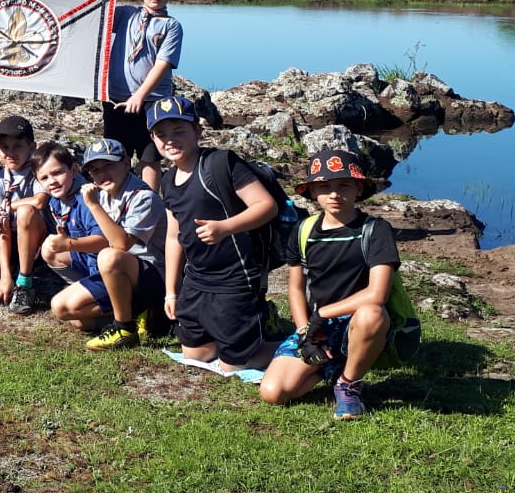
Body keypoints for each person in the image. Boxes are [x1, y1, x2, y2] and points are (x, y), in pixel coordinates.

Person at [259, 149, 399, 420]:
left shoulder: (375, 230)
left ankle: (349, 383)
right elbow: (296, 288)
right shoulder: (303, 230)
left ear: (359, 189)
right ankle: (330, 367)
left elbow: (376, 294)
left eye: (344, 185)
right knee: (274, 393)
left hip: (355, 321)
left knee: (372, 314)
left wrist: (321, 315)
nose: (334, 194)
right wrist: (304, 332)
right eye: (324, 186)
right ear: (312, 192)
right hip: (315, 327)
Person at [149, 94, 278, 373]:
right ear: (153, 139)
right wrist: (171, 292)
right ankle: (244, 331)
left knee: (233, 367)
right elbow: (174, 237)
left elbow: (266, 206)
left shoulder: (221, 163)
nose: (170, 140)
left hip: (236, 277)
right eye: (161, 134)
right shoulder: (168, 180)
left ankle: (290, 346)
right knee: (196, 355)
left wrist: (225, 227)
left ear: (197, 130)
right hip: (197, 279)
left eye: (179, 130)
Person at [77, 138, 170, 351]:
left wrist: (92, 205)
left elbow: (120, 244)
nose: (102, 174)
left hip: (154, 273)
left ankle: (124, 328)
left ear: (126, 163)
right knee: (66, 311)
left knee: (108, 256)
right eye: (95, 170)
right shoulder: (103, 195)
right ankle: (141, 314)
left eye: (109, 165)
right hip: (121, 271)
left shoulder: (143, 197)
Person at [104, 0, 183, 190]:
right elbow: (99, 14)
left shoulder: (171, 26)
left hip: (152, 102)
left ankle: (149, 204)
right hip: (116, 99)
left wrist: (140, 96)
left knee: (150, 156)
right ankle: (116, 202)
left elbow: (163, 63)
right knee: (117, 155)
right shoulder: (127, 14)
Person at [35, 142, 113, 331]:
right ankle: (113, 312)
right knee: (79, 321)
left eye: (57, 173)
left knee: (61, 308)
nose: (52, 181)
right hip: (89, 262)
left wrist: (69, 244)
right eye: (44, 178)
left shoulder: (87, 198)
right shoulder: (55, 200)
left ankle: (129, 307)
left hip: (108, 268)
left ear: (74, 170)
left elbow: (104, 242)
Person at [0, 115, 47, 315]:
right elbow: (1, 228)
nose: (10, 153)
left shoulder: (39, 171)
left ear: (32, 147)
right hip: (13, 241)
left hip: (42, 240)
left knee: (25, 211)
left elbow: (40, 201)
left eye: (18, 146)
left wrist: (8, 206)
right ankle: (9, 273)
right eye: (4, 147)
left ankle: (24, 283)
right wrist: (4, 274)